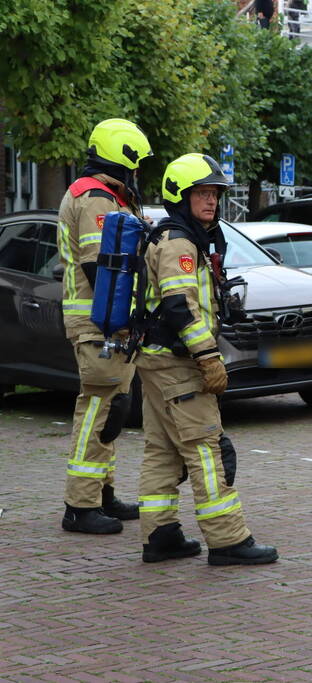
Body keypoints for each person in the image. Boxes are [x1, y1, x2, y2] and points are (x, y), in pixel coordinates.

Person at [135, 153, 277, 565]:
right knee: (205, 448)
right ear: (181, 196)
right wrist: (209, 357)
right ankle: (227, 539)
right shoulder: (179, 243)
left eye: (214, 193)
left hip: (156, 360)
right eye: (202, 193)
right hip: (179, 364)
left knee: (161, 450)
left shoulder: (176, 237)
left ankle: (160, 535)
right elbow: (180, 307)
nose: (211, 201)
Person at [58, 118, 153, 535]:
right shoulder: (96, 198)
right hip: (99, 322)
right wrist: (121, 320)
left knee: (113, 408)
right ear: (123, 156)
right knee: (97, 409)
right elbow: (103, 269)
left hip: (110, 322)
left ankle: (102, 494)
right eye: (137, 163)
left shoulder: (111, 196)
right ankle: (79, 505)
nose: (139, 172)